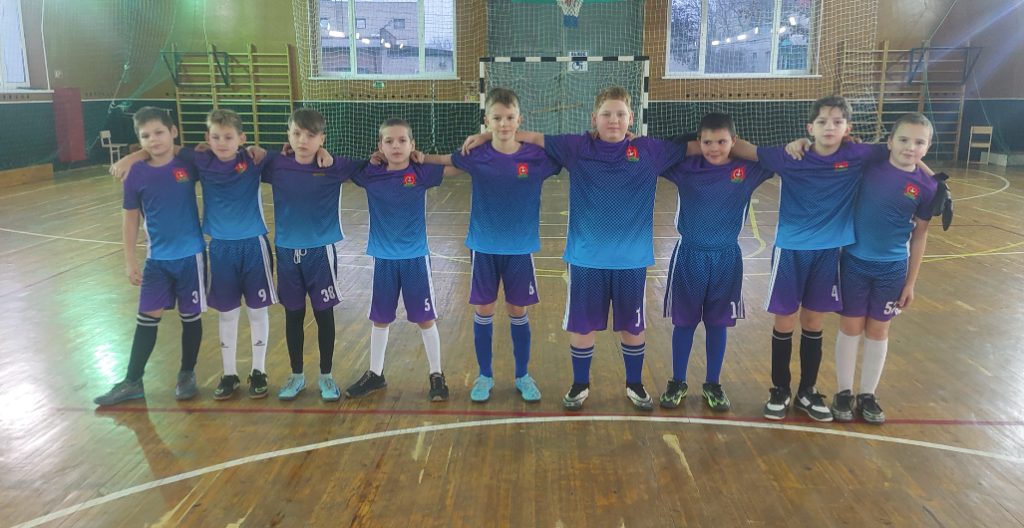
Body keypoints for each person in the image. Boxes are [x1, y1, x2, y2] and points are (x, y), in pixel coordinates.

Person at [463, 86, 689, 411]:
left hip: (631, 261)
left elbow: (700, 146)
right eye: (606, 114)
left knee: (632, 326)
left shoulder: (649, 150)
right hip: (585, 259)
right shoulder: (577, 147)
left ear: (632, 118)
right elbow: (531, 137)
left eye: (620, 114)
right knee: (582, 326)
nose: (613, 120)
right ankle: (580, 384)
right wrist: (488, 135)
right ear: (594, 118)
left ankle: (635, 384)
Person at [737, 95, 890, 421]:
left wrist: (934, 183)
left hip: (828, 253)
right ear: (810, 127)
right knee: (784, 322)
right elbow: (743, 149)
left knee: (813, 323)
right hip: (790, 250)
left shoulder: (856, 154)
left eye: (837, 122)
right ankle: (780, 389)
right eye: (822, 122)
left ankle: (807, 390)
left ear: (848, 128)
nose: (829, 127)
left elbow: (902, 148)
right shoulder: (792, 155)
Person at [111, 109, 277, 400]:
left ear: (241, 138)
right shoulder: (199, 160)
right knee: (226, 313)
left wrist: (265, 149)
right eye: (216, 137)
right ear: (206, 139)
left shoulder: (253, 160)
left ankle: (258, 371)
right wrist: (132, 156)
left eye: (228, 137)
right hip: (218, 248)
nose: (222, 142)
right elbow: (163, 148)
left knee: (256, 311)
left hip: (252, 246)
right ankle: (228, 375)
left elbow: (293, 156)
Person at [420, 88, 562, 403]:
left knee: (518, 311)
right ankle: (484, 376)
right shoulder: (477, 155)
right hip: (483, 247)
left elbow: (567, 153)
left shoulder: (536, 157)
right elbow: (445, 161)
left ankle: (522, 375)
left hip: (520, 249)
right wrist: (417, 157)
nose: (504, 124)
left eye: (510, 118)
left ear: (519, 120)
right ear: (487, 120)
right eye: (497, 118)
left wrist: (486, 135)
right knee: (483, 311)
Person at [658, 113, 774, 412]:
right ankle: (677, 380)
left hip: (726, 258)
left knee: (717, 323)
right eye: (707, 142)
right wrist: (686, 146)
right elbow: (658, 154)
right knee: (684, 322)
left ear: (734, 141)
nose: (714, 148)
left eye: (722, 142)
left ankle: (713, 383)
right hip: (689, 256)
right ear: (698, 141)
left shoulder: (748, 170)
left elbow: (779, 160)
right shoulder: (686, 167)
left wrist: (744, 149)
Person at [830, 112, 938, 424]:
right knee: (850, 327)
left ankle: (867, 394)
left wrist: (910, 282)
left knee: (879, 330)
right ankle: (844, 391)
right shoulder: (869, 167)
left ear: (927, 148)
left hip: (892, 269)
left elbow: (920, 236)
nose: (910, 147)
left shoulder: (927, 188)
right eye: (903, 139)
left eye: (919, 142)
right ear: (889, 142)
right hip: (853, 262)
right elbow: (846, 152)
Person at [94, 107, 207, 406]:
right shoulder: (135, 174)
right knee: (146, 318)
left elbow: (214, 157)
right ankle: (132, 381)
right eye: (145, 136)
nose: (153, 140)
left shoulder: (188, 165)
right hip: (156, 261)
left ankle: (187, 374)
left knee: (190, 318)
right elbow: (130, 219)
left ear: (173, 132)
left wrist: (134, 154)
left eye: (159, 132)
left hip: (191, 257)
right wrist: (130, 260)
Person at [343, 119, 460, 402]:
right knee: (380, 319)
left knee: (425, 319)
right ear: (380, 147)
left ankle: (436, 374)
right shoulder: (370, 174)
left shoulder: (421, 172)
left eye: (402, 141)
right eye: (389, 141)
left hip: (414, 259)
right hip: (383, 259)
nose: (396, 146)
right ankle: (375, 373)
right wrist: (367, 161)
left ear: (412, 145)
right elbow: (338, 167)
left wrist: (428, 158)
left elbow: (461, 165)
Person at [261, 108, 364, 402]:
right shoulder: (276, 165)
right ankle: (296, 375)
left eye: (310, 135)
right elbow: (241, 158)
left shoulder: (334, 166)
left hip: (320, 253)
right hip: (286, 252)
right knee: (293, 315)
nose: (302, 141)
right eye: (296, 134)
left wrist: (326, 153)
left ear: (322, 138)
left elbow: (371, 164)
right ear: (288, 135)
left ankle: (326, 376)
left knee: (324, 315)